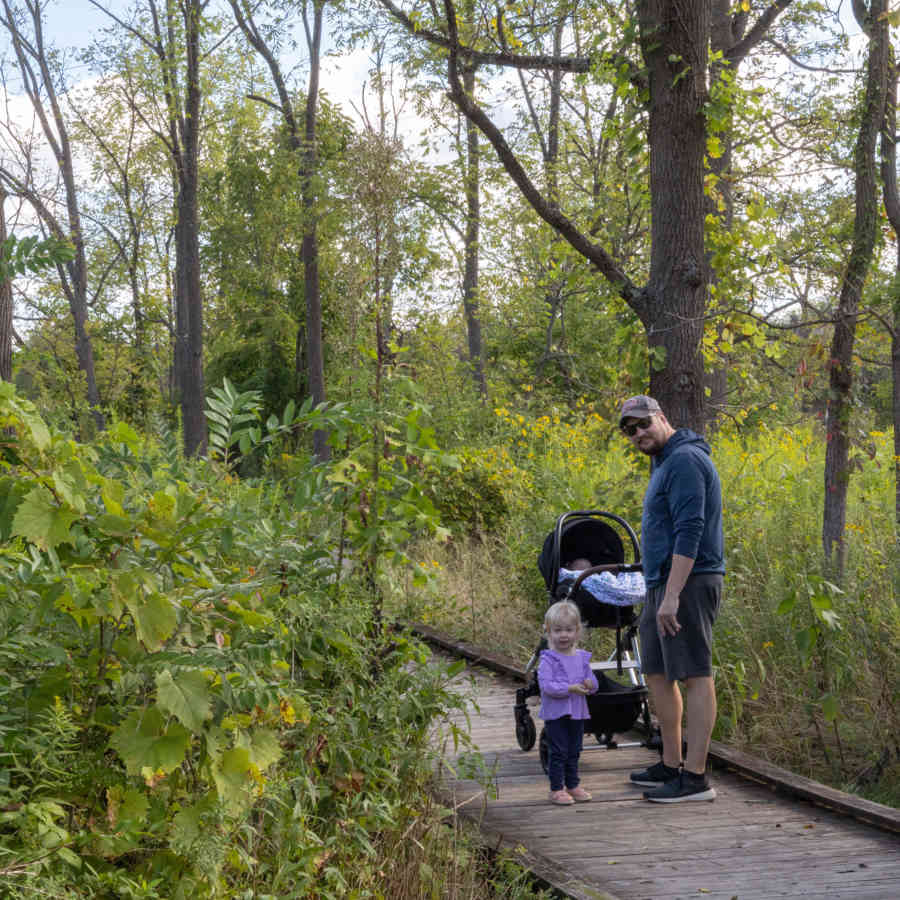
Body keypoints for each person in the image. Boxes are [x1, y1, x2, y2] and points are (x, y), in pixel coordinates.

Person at [618, 395, 724, 803]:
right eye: (630, 430)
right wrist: (659, 590)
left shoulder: (684, 461)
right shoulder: (663, 462)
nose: (638, 433)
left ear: (661, 417)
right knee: (657, 671)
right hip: (662, 582)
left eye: (643, 423)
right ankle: (670, 761)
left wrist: (673, 595)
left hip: (690, 580)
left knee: (695, 672)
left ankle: (695, 778)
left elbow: (691, 528)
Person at [537, 600, 599, 805]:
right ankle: (556, 788)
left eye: (568, 630)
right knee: (558, 751)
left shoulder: (581, 658)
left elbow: (593, 682)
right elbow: (547, 686)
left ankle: (572, 784)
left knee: (574, 749)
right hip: (556, 714)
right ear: (548, 632)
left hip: (577, 713)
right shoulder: (548, 659)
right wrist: (569, 688)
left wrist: (591, 683)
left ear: (577, 631)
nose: (563, 635)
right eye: (557, 630)